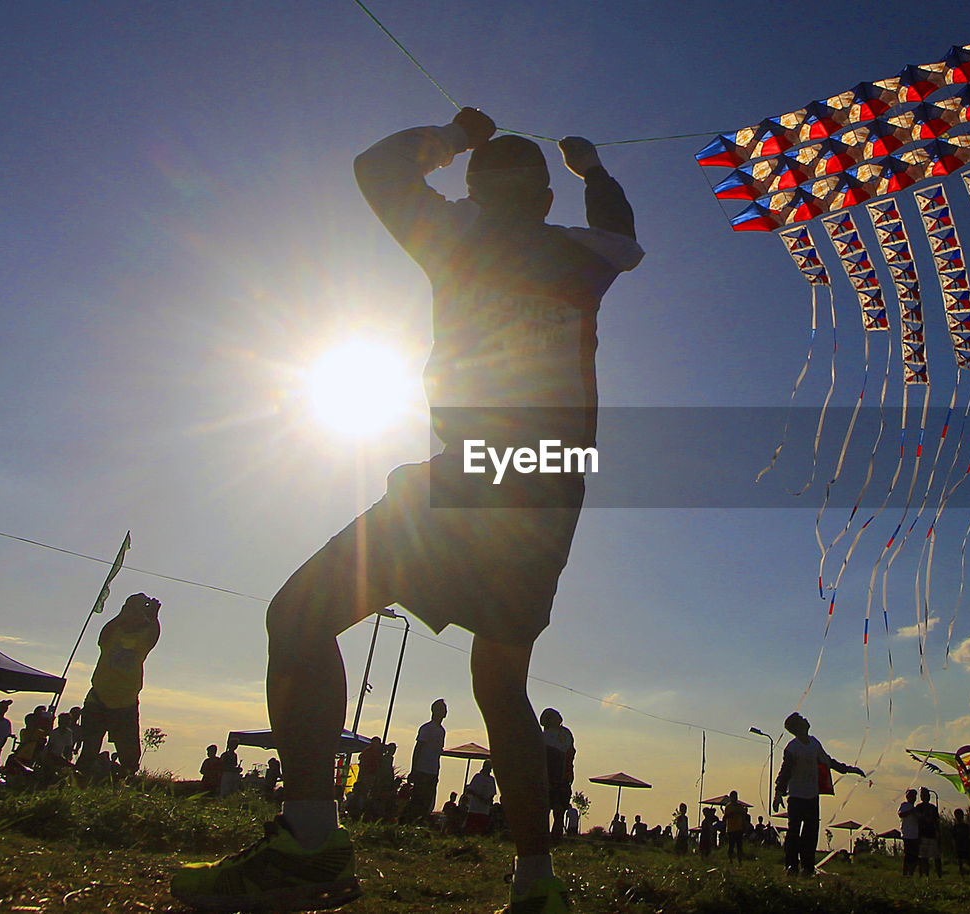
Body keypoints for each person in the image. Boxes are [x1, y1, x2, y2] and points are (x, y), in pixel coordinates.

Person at [171, 106, 641, 914]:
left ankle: (311, 842)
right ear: (537, 193)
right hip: (552, 488)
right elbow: (623, 231)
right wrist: (592, 170)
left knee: (298, 617)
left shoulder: (457, 236)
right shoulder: (583, 256)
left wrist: (457, 132)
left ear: (479, 190)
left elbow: (376, 170)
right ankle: (538, 885)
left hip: (473, 476)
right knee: (501, 686)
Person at [75, 593, 162, 776]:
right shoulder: (113, 633)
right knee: (88, 751)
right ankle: (80, 782)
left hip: (125, 704)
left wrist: (153, 616)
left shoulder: (142, 639)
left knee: (129, 759)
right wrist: (128, 610)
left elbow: (154, 633)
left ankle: (123, 788)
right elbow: (104, 634)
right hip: (97, 699)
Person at [772, 712, 865, 876]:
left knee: (811, 832)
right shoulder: (792, 748)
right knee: (794, 832)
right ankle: (791, 866)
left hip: (812, 796)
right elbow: (784, 772)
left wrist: (850, 769)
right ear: (797, 727)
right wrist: (779, 793)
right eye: (802, 719)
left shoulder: (814, 744)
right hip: (796, 796)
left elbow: (828, 762)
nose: (806, 719)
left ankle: (808, 867)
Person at [406, 699, 447, 820]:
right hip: (422, 770)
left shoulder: (441, 731)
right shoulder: (426, 728)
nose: (444, 713)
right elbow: (418, 749)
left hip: (432, 771)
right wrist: (413, 770)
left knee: (427, 801)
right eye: (442, 710)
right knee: (418, 799)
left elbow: (438, 753)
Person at [541, 709, 575, 839]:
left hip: (564, 777)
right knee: (546, 808)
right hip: (550, 777)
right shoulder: (545, 736)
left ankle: (556, 837)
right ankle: (544, 837)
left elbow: (570, 753)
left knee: (560, 810)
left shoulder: (566, 733)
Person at [464, 760, 498, 835]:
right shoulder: (478, 777)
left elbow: (492, 793)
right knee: (471, 828)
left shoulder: (491, 779)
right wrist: (480, 798)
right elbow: (470, 790)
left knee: (481, 829)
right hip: (474, 808)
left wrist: (488, 800)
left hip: (484, 810)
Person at [915, 787, 942, 877]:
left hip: (932, 834)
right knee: (923, 857)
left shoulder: (933, 808)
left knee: (936, 857)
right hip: (922, 834)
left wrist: (938, 832)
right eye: (922, 795)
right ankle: (925, 875)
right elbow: (918, 820)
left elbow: (936, 821)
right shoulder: (919, 807)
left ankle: (939, 875)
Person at [722, 790, 749, 864]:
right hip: (731, 829)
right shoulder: (728, 806)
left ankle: (739, 860)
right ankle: (730, 859)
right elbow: (725, 817)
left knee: (739, 846)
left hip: (739, 828)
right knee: (731, 846)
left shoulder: (740, 807)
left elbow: (744, 817)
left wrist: (744, 827)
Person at [898, 788, 919, 876]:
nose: (913, 798)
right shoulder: (904, 805)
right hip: (907, 834)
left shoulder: (916, 808)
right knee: (908, 855)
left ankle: (911, 873)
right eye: (911, 796)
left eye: (914, 796)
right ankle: (905, 873)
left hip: (915, 834)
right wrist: (911, 812)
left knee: (914, 855)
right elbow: (901, 814)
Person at [952, 807, 970, 877]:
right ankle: (962, 874)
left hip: (965, 845)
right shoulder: (955, 827)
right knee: (960, 861)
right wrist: (954, 845)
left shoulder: (966, 826)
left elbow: (969, 835)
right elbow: (953, 837)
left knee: (968, 860)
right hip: (959, 845)